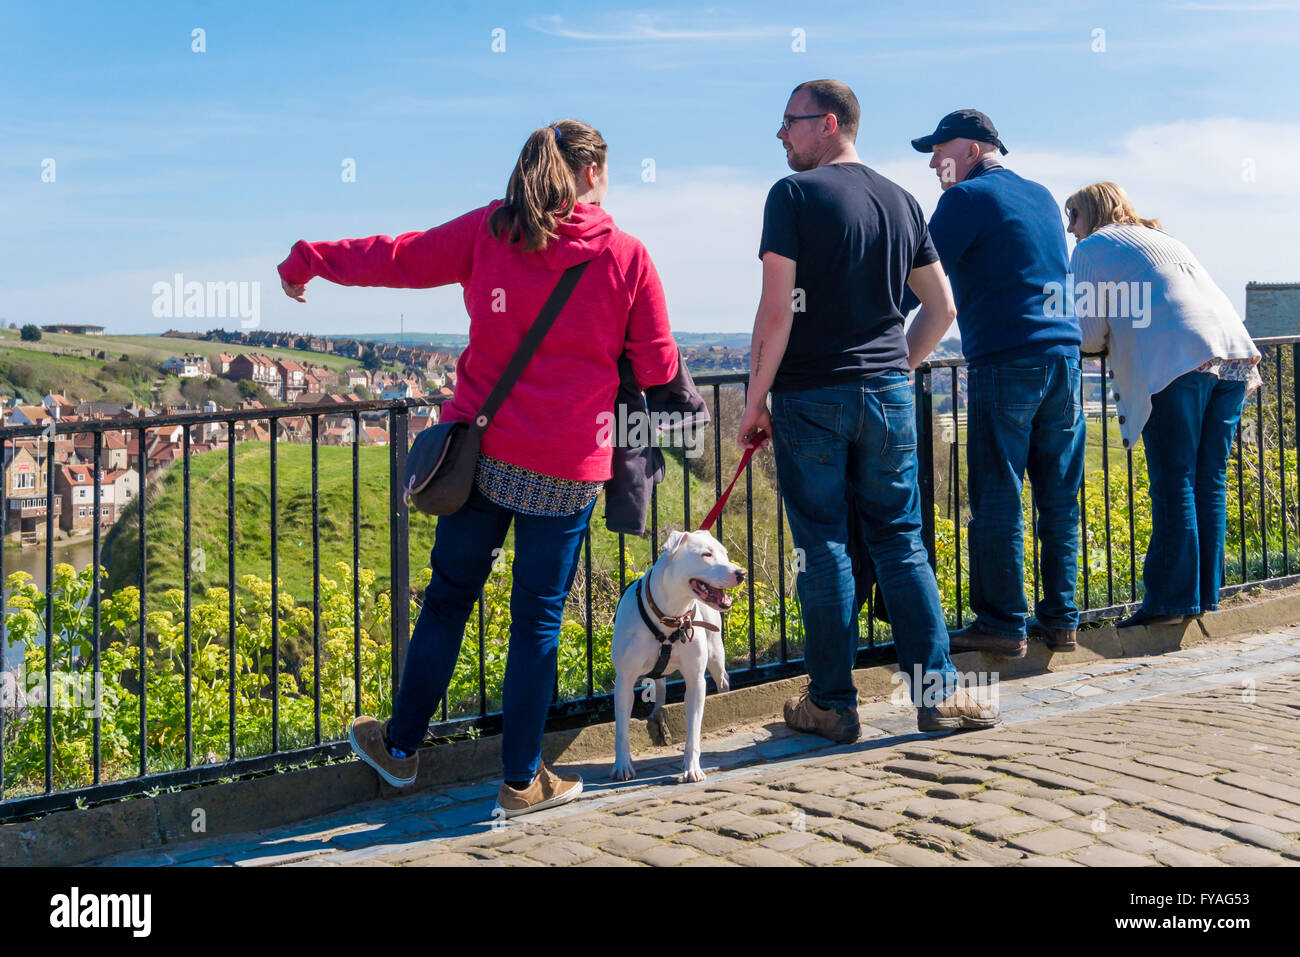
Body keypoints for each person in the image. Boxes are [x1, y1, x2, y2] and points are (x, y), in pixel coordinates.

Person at [277, 118, 680, 817]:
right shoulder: (627, 255)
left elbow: (398, 257)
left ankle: (400, 749)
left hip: (483, 456)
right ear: (590, 175)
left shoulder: (491, 232)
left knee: (448, 599)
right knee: (537, 623)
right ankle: (522, 780)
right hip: (569, 465)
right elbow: (658, 367)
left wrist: (311, 257)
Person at [738, 80, 999, 738]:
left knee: (824, 548)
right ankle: (937, 694)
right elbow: (941, 309)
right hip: (886, 393)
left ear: (827, 124)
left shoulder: (792, 195)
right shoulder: (903, 200)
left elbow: (777, 308)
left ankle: (832, 702)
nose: (779, 134)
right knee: (900, 543)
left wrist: (753, 399)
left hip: (811, 394)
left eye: (789, 122)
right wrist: (896, 368)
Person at [905, 109, 1085, 659]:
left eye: (942, 150)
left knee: (998, 495)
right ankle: (1061, 620)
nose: (935, 162)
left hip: (1006, 359)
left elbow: (914, 280)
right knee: (1058, 496)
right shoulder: (1041, 195)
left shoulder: (965, 200)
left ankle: (1003, 624)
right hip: (1064, 358)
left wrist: (870, 333)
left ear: (975, 150)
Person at [1067, 182, 1261, 628]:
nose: (1070, 229)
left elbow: (1089, 334)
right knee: (1207, 479)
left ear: (1091, 213)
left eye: (1072, 216)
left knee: (1174, 481)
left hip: (1179, 359)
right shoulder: (1162, 236)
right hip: (1232, 353)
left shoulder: (1092, 248)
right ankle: (1203, 595)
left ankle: (1169, 603)